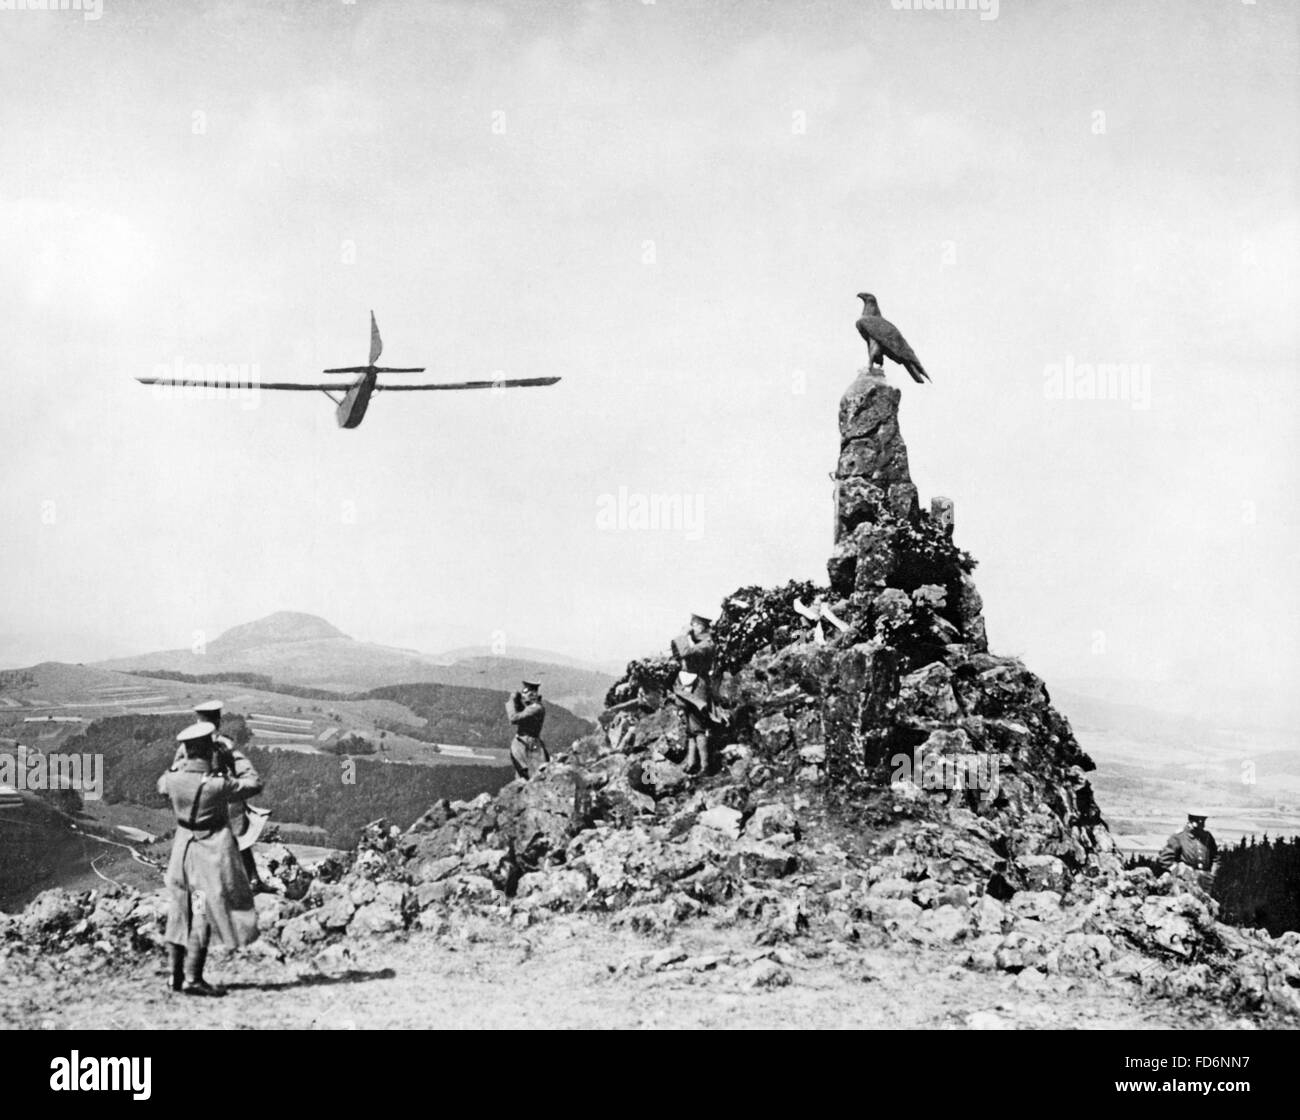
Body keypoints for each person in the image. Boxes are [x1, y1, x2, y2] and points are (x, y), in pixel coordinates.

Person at [158, 722, 263, 996]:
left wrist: (181, 757)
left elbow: (162, 784)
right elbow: (254, 783)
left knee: (179, 912)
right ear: (209, 750)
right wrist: (233, 753)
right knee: (201, 912)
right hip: (203, 861)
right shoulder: (216, 785)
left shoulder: (173, 778)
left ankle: (174, 977)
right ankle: (193, 979)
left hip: (180, 855)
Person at [169, 700, 269, 891]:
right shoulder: (223, 743)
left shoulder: (186, 747)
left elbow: (176, 775)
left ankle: (245, 882)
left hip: (204, 801)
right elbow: (240, 771)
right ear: (217, 719)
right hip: (222, 796)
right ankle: (249, 882)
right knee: (237, 840)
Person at [671, 612, 722, 775]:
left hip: (698, 686)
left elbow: (686, 652)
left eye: (694, 624)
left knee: (698, 727)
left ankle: (705, 767)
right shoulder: (701, 642)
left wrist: (683, 635)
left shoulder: (707, 644)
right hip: (689, 685)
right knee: (690, 728)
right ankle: (692, 763)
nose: (692, 627)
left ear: (701, 626)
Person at [1158, 812, 1218, 888]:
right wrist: (1180, 871)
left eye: (1204, 819)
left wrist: (1212, 874)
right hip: (1185, 882)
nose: (1203, 823)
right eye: (1200, 820)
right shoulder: (1179, 836)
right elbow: (1165, 859)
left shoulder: (1207, 837)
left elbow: (1216, 858)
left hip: (1205, 881)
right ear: (1192, 820)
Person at [506, 679, 549, 779]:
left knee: (532, 775)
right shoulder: (533, 707)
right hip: (525, 743)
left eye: (525, 692)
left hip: (527, 745)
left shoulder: (535, 708)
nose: (523, 695)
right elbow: (523, 712)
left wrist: (511, 700)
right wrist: (518, 701)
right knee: (523, 774)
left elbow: (513, 718)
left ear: (532, 694)